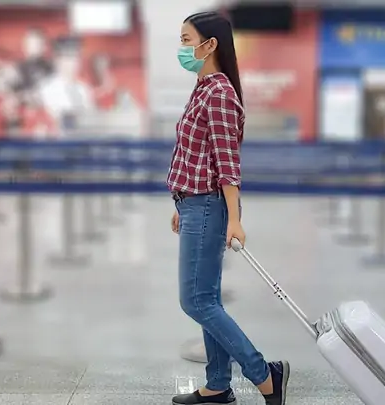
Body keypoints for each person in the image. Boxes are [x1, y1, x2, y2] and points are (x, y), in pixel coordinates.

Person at [167, 12, 289, 405]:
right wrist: (182, 201)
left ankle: (264, 374)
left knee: (195, 301)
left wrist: (234, 219)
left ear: (210, 44)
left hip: (207, 207)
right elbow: (195, 155)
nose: (182, 48)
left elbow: (227, 163)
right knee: (207, 299)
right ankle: (218, 384)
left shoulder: (218, 93)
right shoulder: (203, 89)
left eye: (187, 40)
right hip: (195, 204)